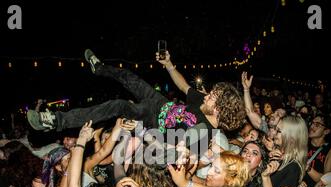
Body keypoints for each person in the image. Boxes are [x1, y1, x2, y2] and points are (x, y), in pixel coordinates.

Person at [27, 49, 245, 153]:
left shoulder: (203, 134)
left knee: (119, 105)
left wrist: (142, 132)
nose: (205, 95)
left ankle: (54, 121)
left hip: (152, 121)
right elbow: (183, 86)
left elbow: (169, 153)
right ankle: (100, 68)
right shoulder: (202, 103)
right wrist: (169, 65)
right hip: (159, 103)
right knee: (131, 78)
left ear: (218, 110)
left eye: (211, 97)